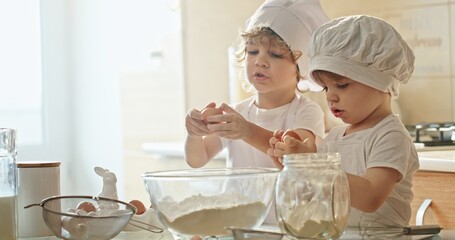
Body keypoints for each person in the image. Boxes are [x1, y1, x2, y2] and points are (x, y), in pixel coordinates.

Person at [268, 15, 420, 227]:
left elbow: (370, 197)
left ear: (380, 80)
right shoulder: (335, 137)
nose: (330, 96)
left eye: (342, 85)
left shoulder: (390, 136)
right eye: (326, 88)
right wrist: (295, 167)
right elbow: (317, 195)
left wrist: (314, 165)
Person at [185, 0, 328, 169]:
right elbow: (197, 159)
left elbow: (294, 156)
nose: (260, 61)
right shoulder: (238, 114)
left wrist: (247, 131)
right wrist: (194, 134)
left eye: (275, 54)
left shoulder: (306, 112)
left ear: (301, 67)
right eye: (252, 52)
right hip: (238, 197)